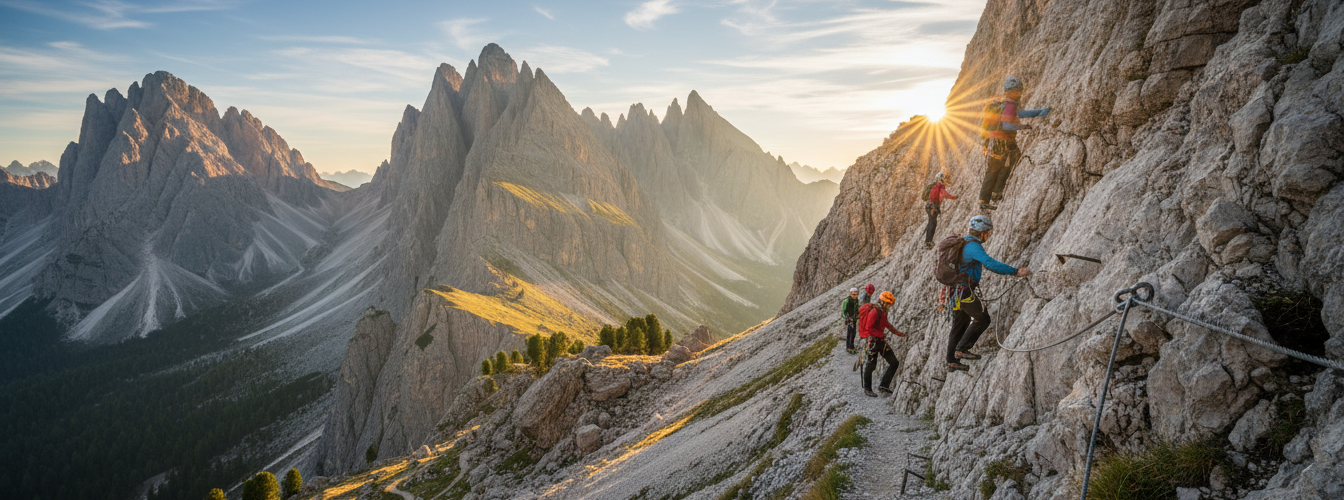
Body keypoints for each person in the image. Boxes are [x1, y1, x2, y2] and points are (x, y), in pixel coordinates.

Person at [946, 215, 1031, 372]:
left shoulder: (963, 242)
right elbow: (990, 263)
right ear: (983, 233)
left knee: (959, 324)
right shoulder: (973, 246)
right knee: (983, 319)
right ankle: (961, 349)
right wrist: (1015, 272)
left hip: (953, 291)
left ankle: (951, 361)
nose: (989, 235)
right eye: (988, 232)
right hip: (964, 291)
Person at [978, 77, 1051, 211]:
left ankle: (991, 195)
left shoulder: (1002, 103)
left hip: (993, 141)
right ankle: (989, 196)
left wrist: (1038, 112)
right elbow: (1007, 125)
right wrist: (1023, 127)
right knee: (998, 167)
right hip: (1002, 142)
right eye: (1018, 91)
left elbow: (1020, 114)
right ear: (1013, 92)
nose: (1019, 94)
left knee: (998, 166)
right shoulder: (1010, 105)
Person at [859, 291, 905, 397]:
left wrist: (899, 333)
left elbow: (886, 324)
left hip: (880, 342)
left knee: (894, 363)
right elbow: (868, 328)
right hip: (873, 342)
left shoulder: (883, 311)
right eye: (889, 304)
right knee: (871, 366)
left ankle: (884, 386)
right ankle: (868, 389)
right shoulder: (875, 311)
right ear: (884, 302)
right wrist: (880, 334)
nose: (890, 306)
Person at [924, 172, 958, 249]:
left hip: (929, 206)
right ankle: (928, 242)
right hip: (932, 206)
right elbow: (943, 194)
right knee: (932, 224)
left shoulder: (935, 186)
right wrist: (954, 197)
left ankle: (928, 241)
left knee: (931, 223)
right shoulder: (939, 186)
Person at [841, 287, 861, 354]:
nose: (855, 296)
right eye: (853, 294)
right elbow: (843, 312)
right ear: (850, 294)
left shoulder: (856, 300)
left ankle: (851, 346)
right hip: (849, 319)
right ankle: (849, 347)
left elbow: (857, 308)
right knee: (850, 333)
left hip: (854, 319)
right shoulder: (847, 301)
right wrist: (847, 318)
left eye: (856, 294)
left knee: (853, 333)